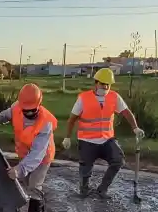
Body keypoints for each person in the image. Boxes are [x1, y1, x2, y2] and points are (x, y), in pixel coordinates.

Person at [0, 83, 57, 212]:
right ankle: (42, 210)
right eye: (25, 110)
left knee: (34, 187)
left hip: (42, 157)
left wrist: (20, 169)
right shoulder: (17, 108)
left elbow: (37, 154)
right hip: (24, 153)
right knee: (27, 183)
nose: (28, 112)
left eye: (32, 110)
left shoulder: (45, 123)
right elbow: (6, 115)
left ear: (39, 104)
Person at [61, 68, 144, 199]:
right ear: (96, 83)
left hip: (107, 140)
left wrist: (135, 128)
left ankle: (102, 189)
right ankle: (84, 190)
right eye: (102, 84)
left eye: (108, 84)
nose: (105, 87)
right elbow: (72, 119)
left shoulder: (114, 97)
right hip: (87, 141)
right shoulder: (84, 98)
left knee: (118, 160)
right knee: (85, 168)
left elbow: (126, 112)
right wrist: (67, 137)